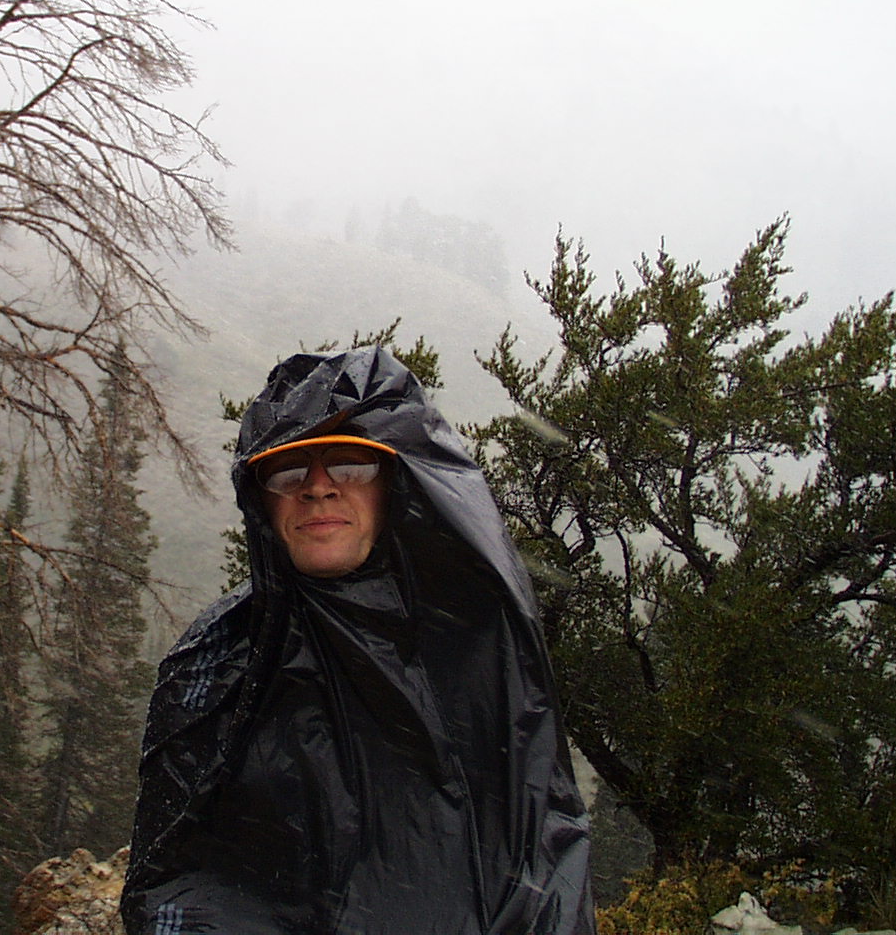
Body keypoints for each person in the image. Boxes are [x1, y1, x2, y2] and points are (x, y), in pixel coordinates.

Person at [123, 346, 595, 935]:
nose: (318, 489)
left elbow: (539, 858)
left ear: (395, 484)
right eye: (288, 471)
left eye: (350, 465)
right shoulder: (213, 664)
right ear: (261, 500)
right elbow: (172, 880)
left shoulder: (476, 643)